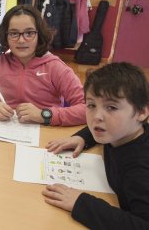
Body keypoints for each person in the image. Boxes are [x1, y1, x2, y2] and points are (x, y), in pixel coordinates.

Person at [42, 62, 149, 229]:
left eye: (111, 107)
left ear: (142, 112)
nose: (97, 116)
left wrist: (82, 203)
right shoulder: (123, 132)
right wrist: (83, 138)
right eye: (91, 105)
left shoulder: (139, 170)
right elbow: (100, 125)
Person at [0, 4, 85, 126]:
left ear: (39, 35)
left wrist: (44, 115)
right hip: (5, 129)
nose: (21, 40)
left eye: (29, 33)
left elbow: (87, 109)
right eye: (14, 33)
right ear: (6, 36)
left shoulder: (55, 67)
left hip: (46, 131)